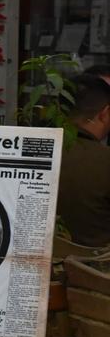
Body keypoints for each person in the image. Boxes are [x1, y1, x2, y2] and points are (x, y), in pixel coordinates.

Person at [56, 74, 110, 248]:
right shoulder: (103, 160)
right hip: (97, 270)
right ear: (105, 113)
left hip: (42, 268)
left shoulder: (34, 152)